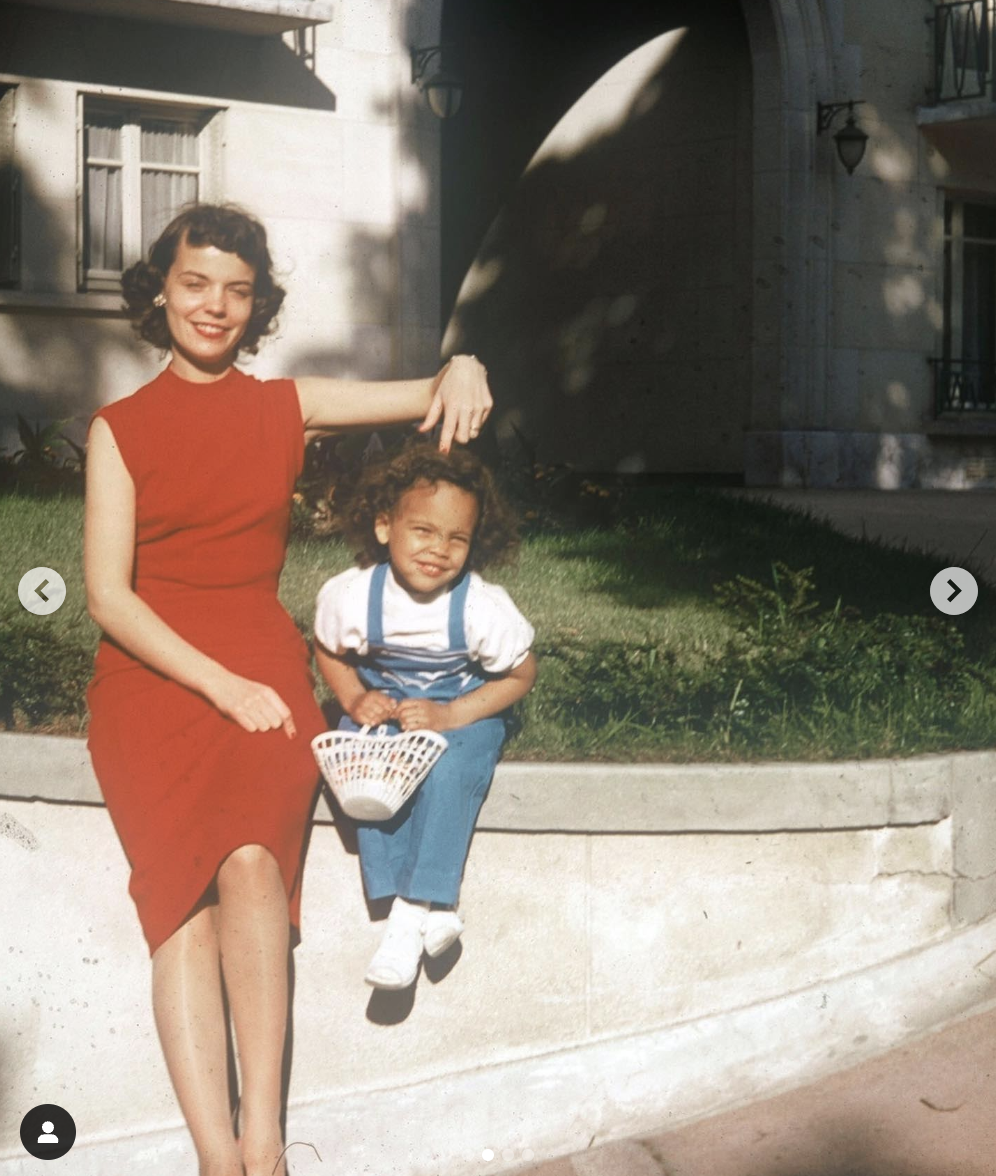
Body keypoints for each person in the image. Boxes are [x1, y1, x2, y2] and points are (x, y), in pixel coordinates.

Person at [84, 203, 492, 1176]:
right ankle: (215, 1158)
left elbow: (431, 390)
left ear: (258, 304)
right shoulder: (119, 428)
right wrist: (219, 686)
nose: (214, 307)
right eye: (194, 284)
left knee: (256, 864)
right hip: (156, 680)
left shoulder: (284, 407)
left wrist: (465, 366)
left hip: (263, 665)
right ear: (161, 291)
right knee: (178, 904)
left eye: (236, 290)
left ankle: (263, 1140)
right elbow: (107, 596)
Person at [313, 442, 537, 990]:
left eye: (457, 538)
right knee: (362, 759)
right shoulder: (355, 594)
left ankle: (411, 912)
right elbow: (328, 649)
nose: (439, 549)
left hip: (461, 705)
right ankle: (427, 911)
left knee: (451, 769)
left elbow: (521, 674)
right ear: (385, 526)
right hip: (389, 699)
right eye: (424, 531)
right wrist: (353, 699)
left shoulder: (481, 606)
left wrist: (453, 714)